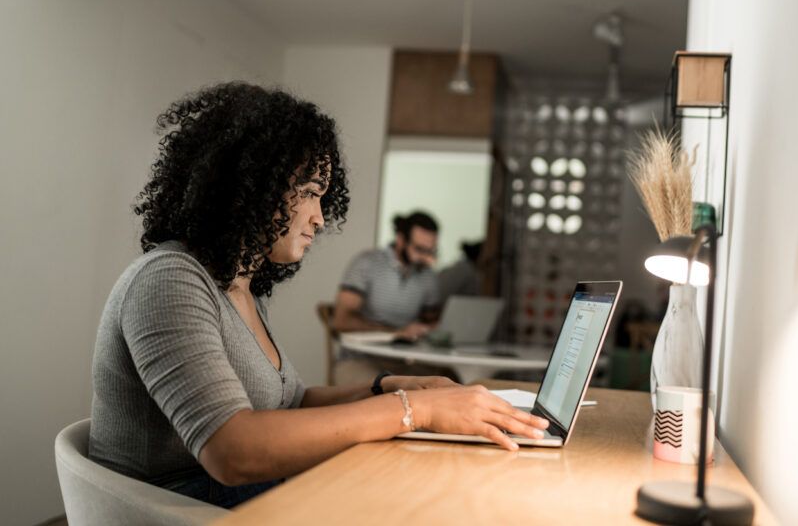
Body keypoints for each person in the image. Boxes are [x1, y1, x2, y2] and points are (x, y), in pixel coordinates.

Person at [88, 83, 548, 509]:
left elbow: (292, 403)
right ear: (250, 185)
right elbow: (232, 452)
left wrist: (389, 387)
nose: (320, 218)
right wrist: (416, 410)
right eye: (309, 193)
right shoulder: (168, 279)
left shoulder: (240, 287)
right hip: (179, 510)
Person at [333, 211, 442, 342]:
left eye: (431, 251)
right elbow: (342, 321)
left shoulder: (428, 275)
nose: (427, 258)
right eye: (419, 249)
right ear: (401, 240)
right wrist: (395, 333)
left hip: (408, 356)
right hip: (362, 355)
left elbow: (432, 323)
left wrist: (428, 329)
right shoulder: (366, 263)